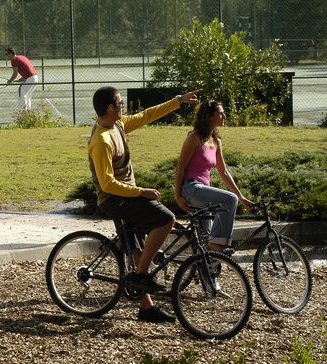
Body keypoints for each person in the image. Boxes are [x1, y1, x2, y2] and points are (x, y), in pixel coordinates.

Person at [89, 86, 200, 323]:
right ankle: (140, 275)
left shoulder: (117, 125)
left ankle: (146, 308)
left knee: (139, 248)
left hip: (127, 195)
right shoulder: (101, 140)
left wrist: (177, 101)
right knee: (166, 219)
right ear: (110, 108)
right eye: (120, 103)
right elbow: (107, 184)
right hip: (114, 199)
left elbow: (147, 115)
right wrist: (142, 192)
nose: (123, 107)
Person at [174, 100, 253, 252]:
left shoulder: (216, 141)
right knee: (230, 200)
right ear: (210, 116)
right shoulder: (194, 138)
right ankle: (219, 243)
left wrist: (241, 197)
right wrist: (178, 197)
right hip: (191, 188)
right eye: (221, 113)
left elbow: (223, 172)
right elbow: (180, 168)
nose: (224, 116)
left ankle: (206, 271)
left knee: (205, 244)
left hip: (204, 192)